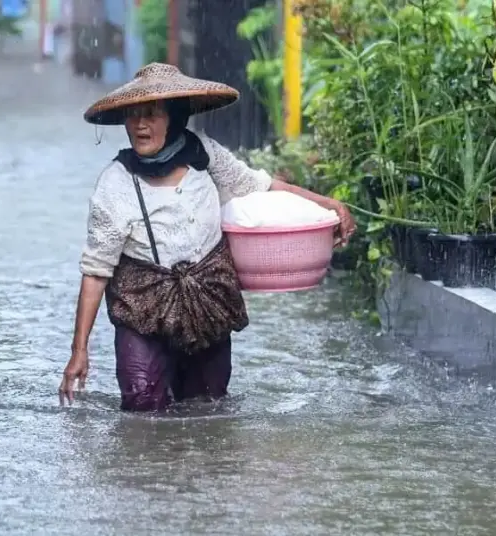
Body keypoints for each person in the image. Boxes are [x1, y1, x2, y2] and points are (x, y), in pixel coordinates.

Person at [59, 63, 355, 411]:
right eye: (133, 115)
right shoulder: (115, 184)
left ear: (175, 118)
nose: (140, 124)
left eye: (152, 114)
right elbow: (96, 271)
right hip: (142, 309)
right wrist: (79, 351)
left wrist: (329, 205)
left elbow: (262, 186)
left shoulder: (205, 154)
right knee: (141, 407)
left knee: (207, 408)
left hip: (208, 304)